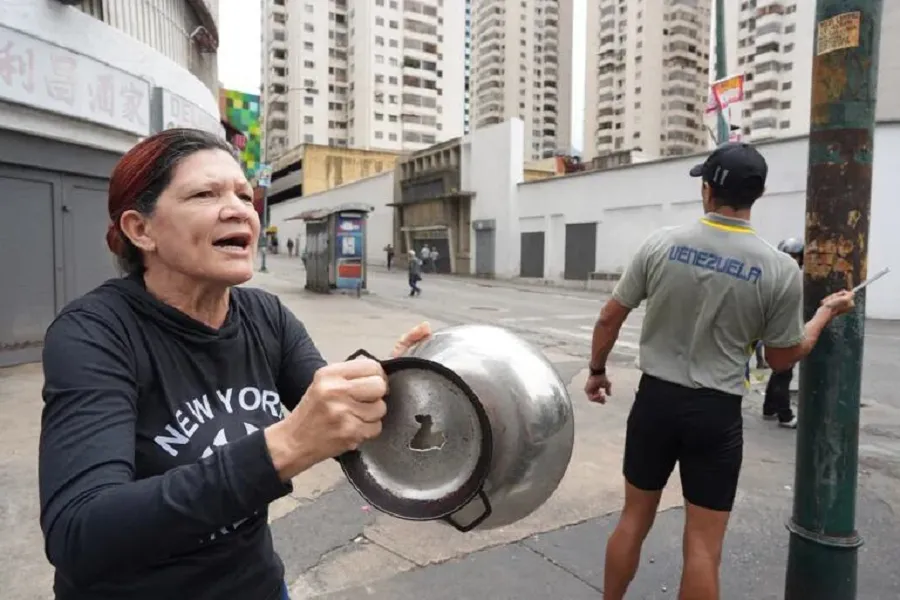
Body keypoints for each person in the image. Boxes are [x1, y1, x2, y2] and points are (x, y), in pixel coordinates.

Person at [37, 128, 431, 600]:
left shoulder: (266, 317)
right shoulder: (96, 333)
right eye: (205, 193)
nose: (239, 209)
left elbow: (333, 419)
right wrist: (281, 448)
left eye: (244, 195)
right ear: (141, 230)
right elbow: (80, 531)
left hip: (255, 584)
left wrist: (400, 386)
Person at [583, 142, 856, 600]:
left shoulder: (662, 244)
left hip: (655, 403)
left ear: (707, 191)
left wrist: (597, 369)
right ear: (759, 194)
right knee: (704, 548)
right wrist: (825, 313)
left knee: (633, 520)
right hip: (716, 413)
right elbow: (782, 358)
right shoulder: (778, 269)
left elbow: (609, 317)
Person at [762, 237, 805, 428]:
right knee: (783, 372)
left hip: (773, 327)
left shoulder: (777, 274)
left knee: (779, 370)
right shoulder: (786, 277)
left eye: (796, 256)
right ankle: (784, 415)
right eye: (791, 256)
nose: (793, 260)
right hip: (779, 329)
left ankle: (769, 408)